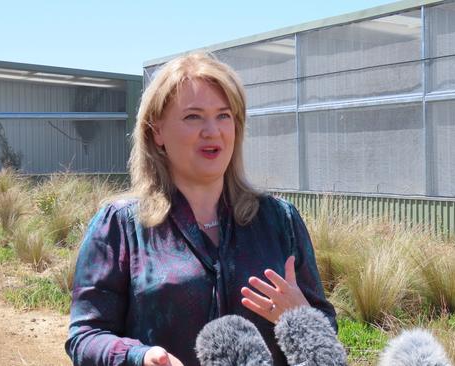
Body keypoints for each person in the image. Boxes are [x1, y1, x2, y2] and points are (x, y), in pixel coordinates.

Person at [65, 53, 336, 366]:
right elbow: (86, 336)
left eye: (224, 115)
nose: (212, 130)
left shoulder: (280, 220)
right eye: (193, 117)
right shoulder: (120, 227)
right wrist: (140, 357)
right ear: (157, 131)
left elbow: (324, 330)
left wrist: (301, 319)